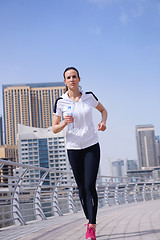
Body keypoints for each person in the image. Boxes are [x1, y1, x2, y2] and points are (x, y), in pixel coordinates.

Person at [52, 67, 107, 240]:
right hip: (73, 147)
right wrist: (63, 123)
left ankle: (92, 226)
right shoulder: (60, 101)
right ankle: (88, 218)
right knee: (81, 188)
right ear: (65, 81)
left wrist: (103, 122)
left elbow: (103, 111)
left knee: (90, 185)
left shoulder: (89, 97)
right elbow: (54, 128)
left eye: (74, 76)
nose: (72, 79)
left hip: (91, 145)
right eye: (68, 77)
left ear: (79, 79)